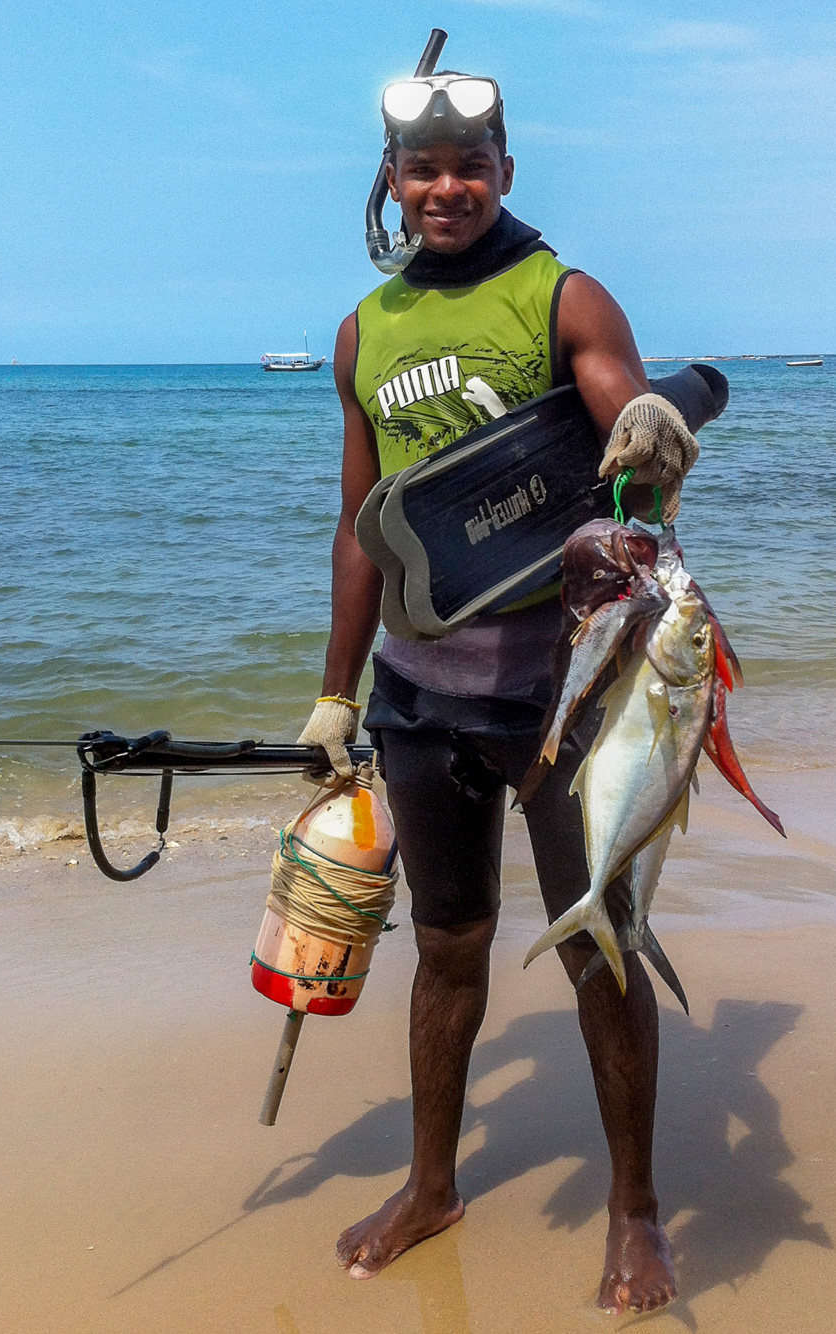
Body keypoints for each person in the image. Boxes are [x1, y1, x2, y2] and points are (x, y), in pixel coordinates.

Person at [297, 63, 699, 1316]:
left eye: (470, 165)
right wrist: (335, 692)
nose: (448, 187)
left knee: (602, 946)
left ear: (504, 175)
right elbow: (367, 525)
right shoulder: (366, 331)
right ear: (393, 183)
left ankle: (633, 1206)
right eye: (423, 169)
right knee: (447, 944)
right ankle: (431, 1182)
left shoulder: (559, 291)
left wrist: (645, 443)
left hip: (563, 693)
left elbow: (622, 422)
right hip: (422, 696)